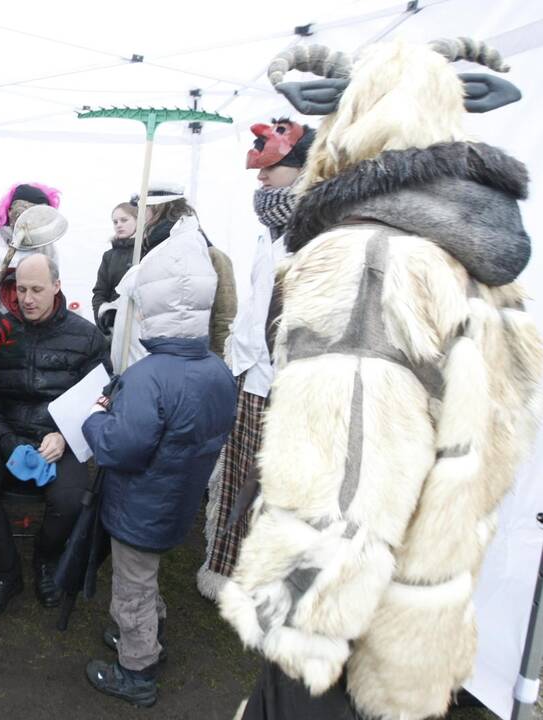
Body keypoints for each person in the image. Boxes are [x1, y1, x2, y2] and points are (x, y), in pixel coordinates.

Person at [219, 39, 541, 719]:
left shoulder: (368, 257)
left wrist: (296, 622)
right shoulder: (469, 261)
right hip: (417, 609)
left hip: (344, 626)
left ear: (350, 119)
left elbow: (344, 478)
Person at [82, 213, 236, 707]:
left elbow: (118, 447)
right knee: (146, 579)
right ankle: (149, 632)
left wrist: (96, 419)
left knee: (131, 587)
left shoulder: (150, 376)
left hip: (139, 508)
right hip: (177, 502)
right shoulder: (216, 371)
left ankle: (137, 668)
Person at [195, 119, 314, 600]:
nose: (261, 177)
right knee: (239, 476)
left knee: (284, 490)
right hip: (253, 377)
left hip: (291, 385)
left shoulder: (317, 231)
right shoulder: (273, 229)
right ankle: (230, 567)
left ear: (302, 168)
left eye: (274, 166)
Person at [0, 253, 108, 622]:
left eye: (37, 290)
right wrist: (6, 442)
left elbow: (101, 396)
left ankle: (47, 558)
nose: (27, 298)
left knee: (73, 498)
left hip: (59, 438)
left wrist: (67, 435)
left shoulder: (86, 335)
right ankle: (4, 572)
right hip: (4, 435)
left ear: (57, 286)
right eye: (21, 289)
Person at [103, 185, 236, 369]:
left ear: (157, 209)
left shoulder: (206, 254)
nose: (139, 216)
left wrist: (218, 363)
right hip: (144, 364)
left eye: (143, 209)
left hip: (184, 365)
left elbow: (224, 317)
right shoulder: (147, 250)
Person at [0, 182, 61, 308]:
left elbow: (51, 290)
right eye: (25, 213)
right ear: (9, 210)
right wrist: (8, 273)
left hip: (29, 320)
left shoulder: (47, 247)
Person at [91, 202, 137, 327]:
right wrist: (102, 319)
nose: (119, 225)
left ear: (138, 220)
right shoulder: (109, 256)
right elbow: (100, 293)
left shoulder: (148, 251)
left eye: (124, 220)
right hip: (114, 325)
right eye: (115, 222)